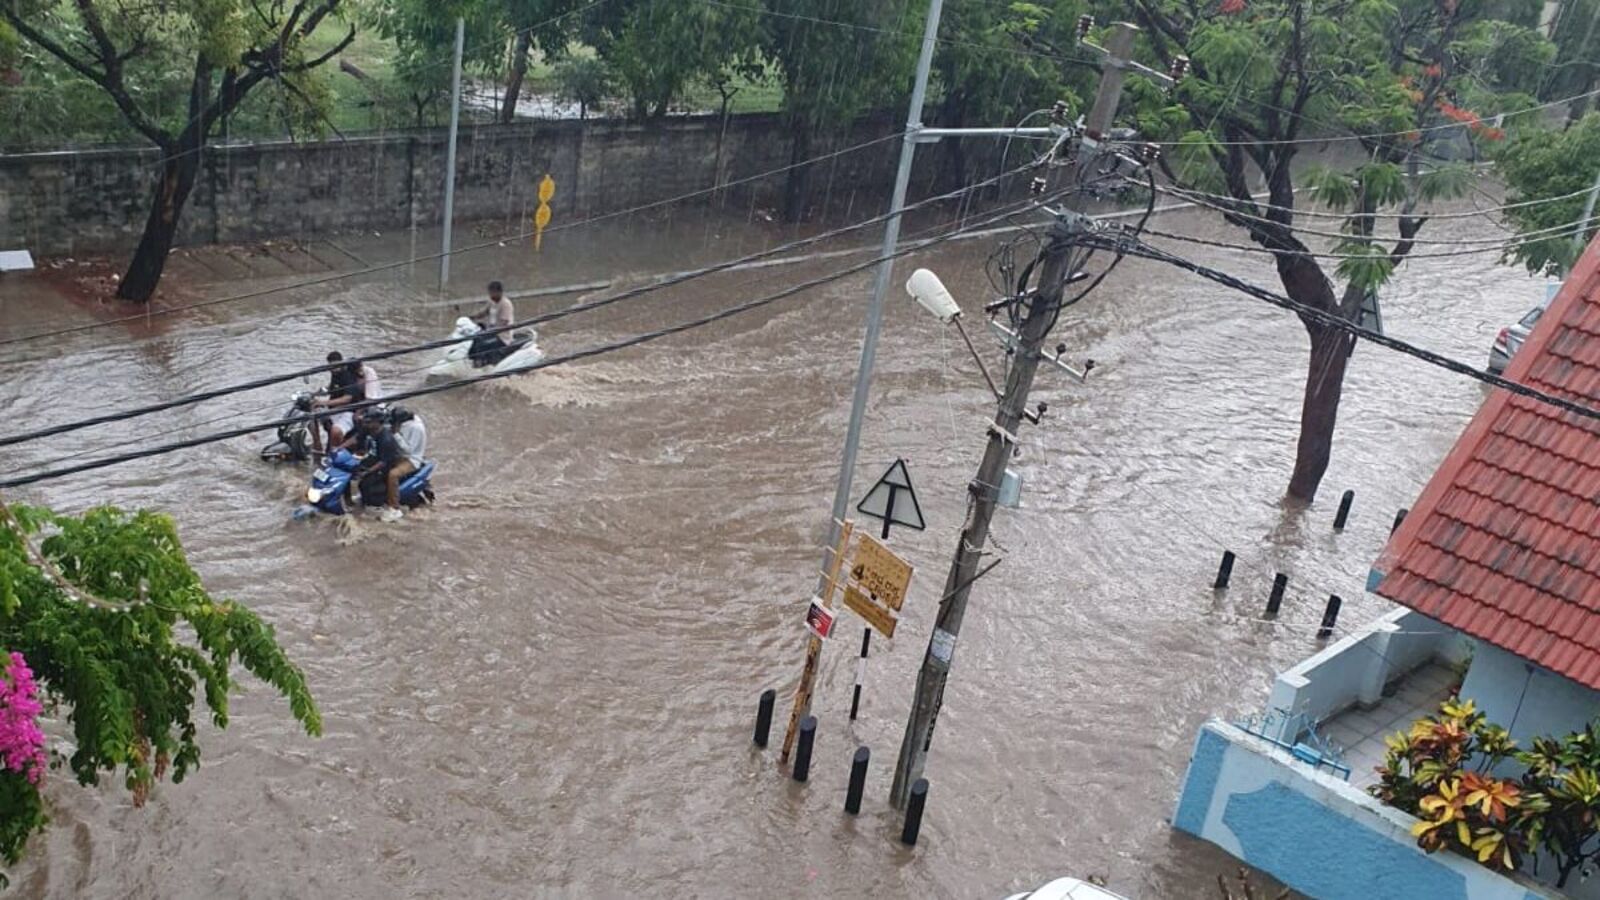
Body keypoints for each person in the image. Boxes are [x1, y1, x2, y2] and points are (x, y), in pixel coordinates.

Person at [351, 410, 406, 521]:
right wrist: (339, 448)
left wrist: (368, 471)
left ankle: (384, 507)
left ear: (378, 422)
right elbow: (355, 439)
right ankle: (363, 499)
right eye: (366, 421)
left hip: (385, 465)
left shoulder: (386, 439)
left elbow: (383, 462)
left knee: (369, 482)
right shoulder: (369, 430)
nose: (365, 423)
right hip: (371, 459)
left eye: (369, 422)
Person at [311, 352, 364, 453]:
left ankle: (335, 452)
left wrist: (323, 402)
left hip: (347, 411)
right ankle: (317, 445)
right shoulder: (335, 374)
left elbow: (347, 399)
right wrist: (315, 394)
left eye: (335, 366)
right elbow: (331, 387)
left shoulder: (348, 376)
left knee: (336, 431)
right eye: (330, 367)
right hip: (333, 410)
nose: (333, 369)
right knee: (311, 414)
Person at [386, 406, 427, 521]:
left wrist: (395, 434)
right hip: (399, 455)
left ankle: (394, 508)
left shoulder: (416, 428)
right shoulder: (407, 423)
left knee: (392, 475)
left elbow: (408, 450)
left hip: (411, 459)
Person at [469, 280, 515, 365]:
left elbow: (504, 322)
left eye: (493, 293)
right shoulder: (491, 302)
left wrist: (491, 330)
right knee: (475, 338)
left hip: (502, 336)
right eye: (490, 293)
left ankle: (485, 362)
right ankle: (474, 359)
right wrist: (472, 317)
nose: (491, 295)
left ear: (499, 292)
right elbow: (483, 312)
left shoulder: (505, 304)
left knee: (483, 343)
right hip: (491, 331)